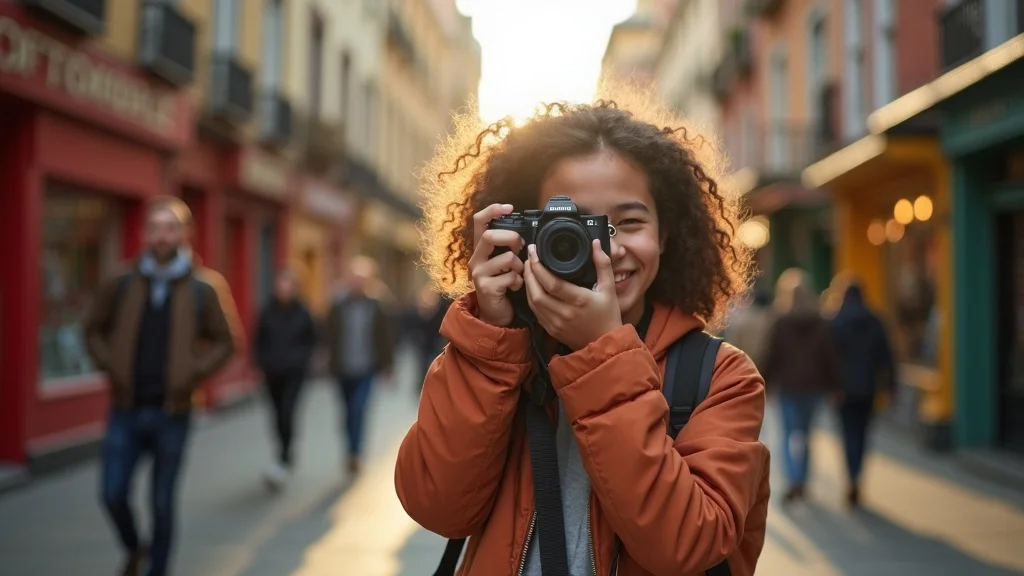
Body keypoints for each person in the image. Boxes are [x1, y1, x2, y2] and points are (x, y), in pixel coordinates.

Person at [395, 97, 770, 575]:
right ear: (522, 233)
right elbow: (437, 507)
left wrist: (601, 351)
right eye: (571, 226)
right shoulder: (498, 353)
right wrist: (490, 339)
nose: (605, 249)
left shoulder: (723, 376)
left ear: (667, 235)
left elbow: (687, 545)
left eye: (630, 222)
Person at [85, 196, 240, 576]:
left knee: (161, 502)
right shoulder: (121, 281)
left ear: (185, 233)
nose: (162, 236)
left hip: (174, 411)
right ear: (144, 234)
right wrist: (111, 365)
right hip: (126, 407)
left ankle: (158, 570)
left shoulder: (205, 287)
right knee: (112, 493)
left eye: (170, 228)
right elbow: (93, 329)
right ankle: (135, 547)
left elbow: (227, 341)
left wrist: (191, 372)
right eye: (155, 228)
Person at [761, 268, 842, 505]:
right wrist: (834, 385)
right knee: (805, 436)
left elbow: (770, 354)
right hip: (813, 387)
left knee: (787, 434)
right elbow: (830, 357)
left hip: (788, 386)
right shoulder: (821, 321)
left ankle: (793, 480)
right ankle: (802, 480)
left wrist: (764, 381)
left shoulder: (780, 320)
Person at [828, 273, 896, 508]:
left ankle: (851, 476)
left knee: (848, 434)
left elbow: (829, 358)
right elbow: (887, 357)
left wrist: (830, 386)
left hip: (842, 390)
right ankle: (857, 475)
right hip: (868, 388)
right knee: (863, 434)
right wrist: (890, 387)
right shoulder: (876, 320)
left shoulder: (835, 321)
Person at [325, 256, 396, 477]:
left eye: (361, 279)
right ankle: (350, 448)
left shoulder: (378, 305)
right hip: (342, 368)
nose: (357, 283)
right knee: (347, 412)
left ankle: (355, 453)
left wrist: (388, 366)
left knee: (359, 409)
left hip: (367, 368)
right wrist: (325, 359)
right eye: (354, 279)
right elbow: (328, 334)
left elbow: (387, 337)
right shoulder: (338, 305)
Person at [253, 267, 316, 491]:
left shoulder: (303, 312)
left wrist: (301, 360)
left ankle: (284, 456)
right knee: (276, 415)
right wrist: (261, 362)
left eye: (289, 284)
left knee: (288, 413)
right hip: (272, 374)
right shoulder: (267, 310)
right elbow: (258, 339)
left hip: (294, 374)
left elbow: (312, 341)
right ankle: (282, 451)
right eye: (281, 284)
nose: (284, 289)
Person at [723, 288, 774, 370]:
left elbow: (733, 344)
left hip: (745, 365)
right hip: (766, 367)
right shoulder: (771, 321)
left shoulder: (742, 321)